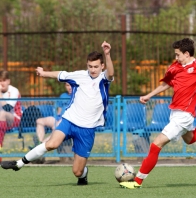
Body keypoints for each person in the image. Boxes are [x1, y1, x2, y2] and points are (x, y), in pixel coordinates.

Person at [119, 20, 196, 189]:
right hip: (175, 113)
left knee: (156, 145)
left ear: (186, 53)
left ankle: (137, 182)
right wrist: (148, 95)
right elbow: (166, 84)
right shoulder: (176, 67)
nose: (175, 57)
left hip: (184, 114)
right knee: (190, 139)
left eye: (177, 54)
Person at [1, 41, 114, 186]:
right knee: (51, 144)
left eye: (96, 67)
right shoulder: (79, 75)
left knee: (77, 171)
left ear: (102, 66)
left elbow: (111, 73)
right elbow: (60, 74)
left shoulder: (104, 79)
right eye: (90, 66)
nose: (93, 70)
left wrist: (107, 54)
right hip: (70, 120)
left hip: (87, 128)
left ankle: (83, 175)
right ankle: (19, 163)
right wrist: (43, 73)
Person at [0, 70, 22, 148]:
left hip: (14, 118)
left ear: (8, 81)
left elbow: (8, 108)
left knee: (2, 114)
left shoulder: (14, 91)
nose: (2, 83)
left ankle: (0, 146)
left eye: (4, 80)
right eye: (0, 81)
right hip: (1, 120)